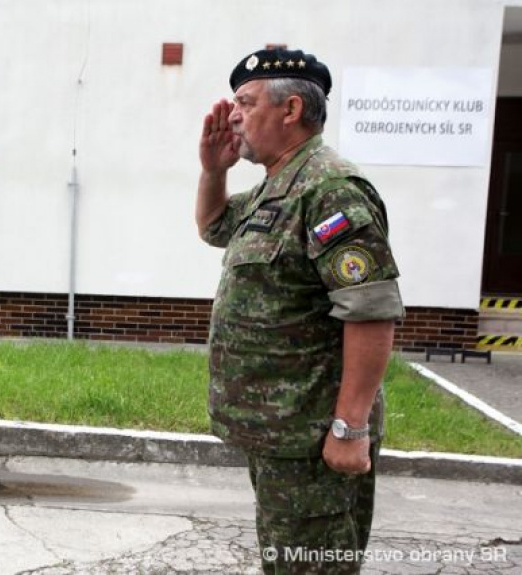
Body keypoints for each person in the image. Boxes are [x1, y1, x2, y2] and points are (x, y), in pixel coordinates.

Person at [196, 48, 404, 574]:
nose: (234, 115)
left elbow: (370, 310)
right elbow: (214, 226)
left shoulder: (328, 189)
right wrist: (213, 170)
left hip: (312, 436)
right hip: (280, 435)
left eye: (246, 103)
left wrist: (349, 429)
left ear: (290, 110)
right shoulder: (277, 184)